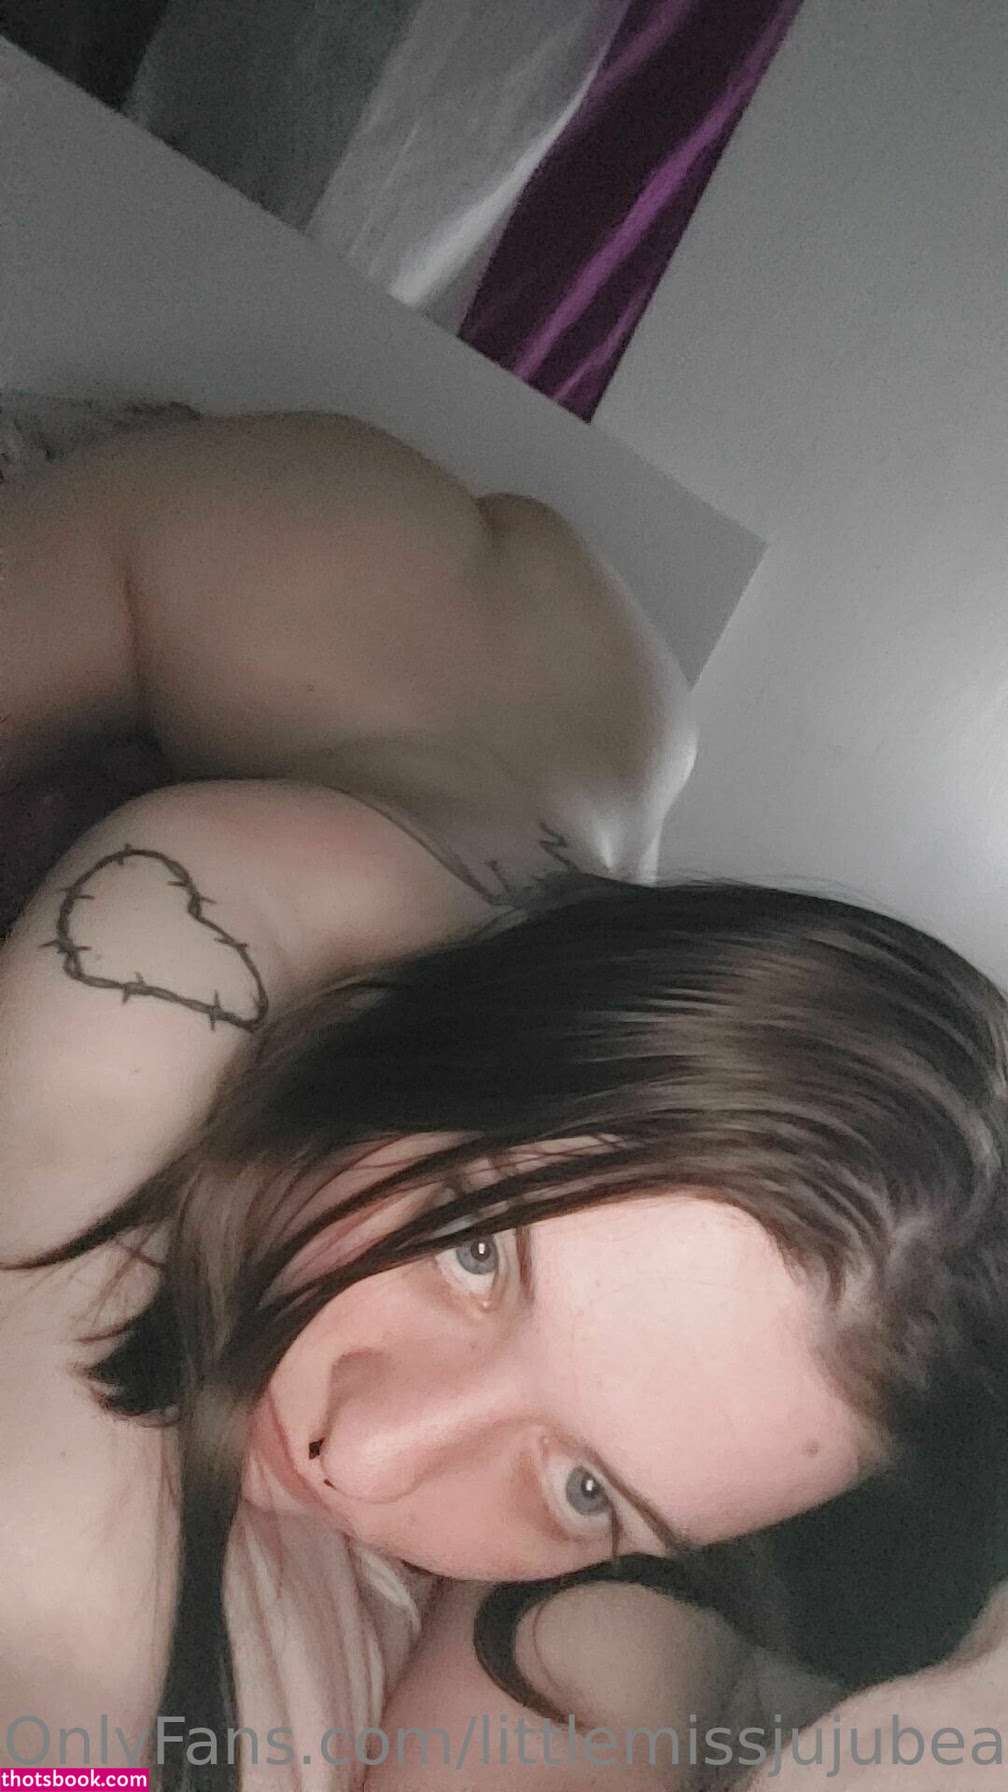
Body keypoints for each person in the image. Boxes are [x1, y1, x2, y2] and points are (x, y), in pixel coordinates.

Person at [2, 407, 1008, 1792]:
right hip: (360, 571)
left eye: (583, 1488)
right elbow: (46, 1605)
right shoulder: (207, 900)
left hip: (619, 777)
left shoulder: (729, 1416)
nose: (364, 1456)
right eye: (476, 1248)